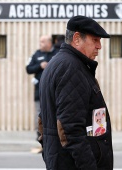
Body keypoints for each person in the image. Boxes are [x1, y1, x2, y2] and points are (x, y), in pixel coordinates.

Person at [38, 16, 113, 170]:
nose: (99, 46)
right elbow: (71, 129)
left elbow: (42, 122)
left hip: (61, 160)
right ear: (77, 39)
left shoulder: (57, 63)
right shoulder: (71, 68)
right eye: (95, 40)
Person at [26, 35, 58, 153]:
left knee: (55, 115)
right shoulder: (36, 54)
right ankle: (41, 138)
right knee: (39, 115)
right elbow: (28, 68)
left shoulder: (57, 53)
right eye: (40, 41)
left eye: (43, 41)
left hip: (55, 93)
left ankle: (55, 138)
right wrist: (40, 66)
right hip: (39, 93)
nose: (40, 43)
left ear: (50, 43)